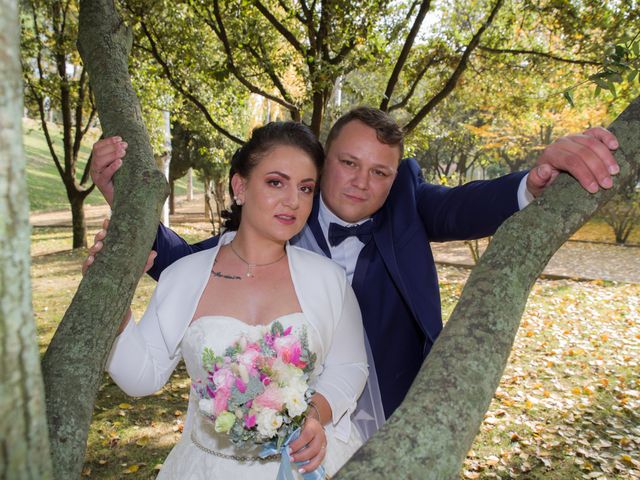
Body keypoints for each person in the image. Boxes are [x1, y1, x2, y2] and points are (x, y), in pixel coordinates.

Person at [89, 107, 619, 422]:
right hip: (265, 404)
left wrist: (532, 181)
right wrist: (129, 207)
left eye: (380, 173)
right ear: (324, 161)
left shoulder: (406, 204)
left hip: (384, 402)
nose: (363, 183)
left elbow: (463, 205)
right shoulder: (279, 215)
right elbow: (201, 266)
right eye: (347, 164)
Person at [99, 122, 369, 479]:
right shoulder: (184, 275)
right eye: (276, 182)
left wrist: (314, 415)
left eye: (305, 188)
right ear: (240, 185)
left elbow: (349, 368)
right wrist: (112, 302)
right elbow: (142, 378)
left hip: (305, 468)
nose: (293, 200)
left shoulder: (329, 280)